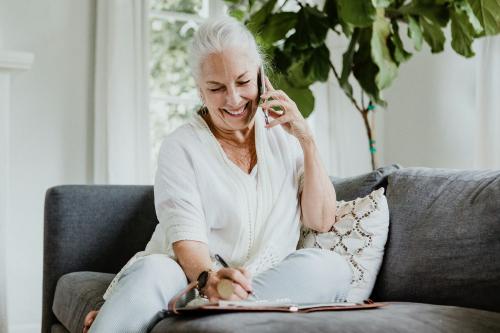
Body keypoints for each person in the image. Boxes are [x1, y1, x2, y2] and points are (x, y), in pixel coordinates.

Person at [85, 15, 352, 333]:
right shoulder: (180, 146)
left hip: (259, 283)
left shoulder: (286, 139)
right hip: (188, 278)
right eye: (216, 88)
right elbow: (186, 239)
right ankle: (192, 304)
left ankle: (205, 310)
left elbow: (321, 220)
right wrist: (209, 280)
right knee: (154, 271)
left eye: (243, 82)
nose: (234, 99)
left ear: (260, 76)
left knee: (331, 267)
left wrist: (306, 138)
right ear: (200, 90)